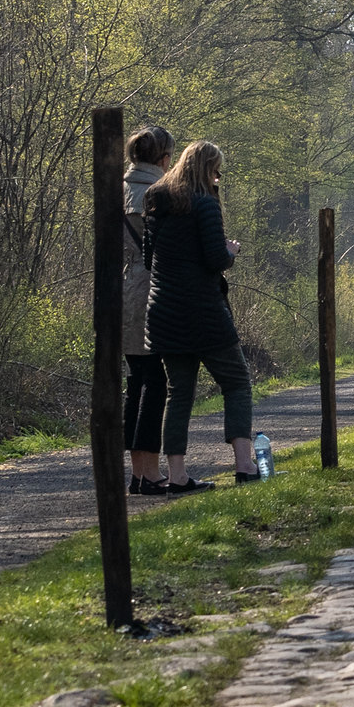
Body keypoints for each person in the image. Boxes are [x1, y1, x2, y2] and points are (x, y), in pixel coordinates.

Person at [146, 140, 259, 490]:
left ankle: (177, 477)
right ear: (207, 169)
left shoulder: (157, 201)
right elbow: (214, 259)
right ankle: (245, 465)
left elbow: (152, 258)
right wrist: (230, 252)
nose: (218, 177)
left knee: (178, 393)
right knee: (237, 382)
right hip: (203, 310)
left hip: (163, 308)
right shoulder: (205, 204)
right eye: (216, 171)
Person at [122, 124, 173, 495]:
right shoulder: (161, 194)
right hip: (153, 291)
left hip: (122, 293)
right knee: (155, 382)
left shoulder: (118, 191)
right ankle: (151, 472)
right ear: (165, 158)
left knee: (137, 381)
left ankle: (138, 472)